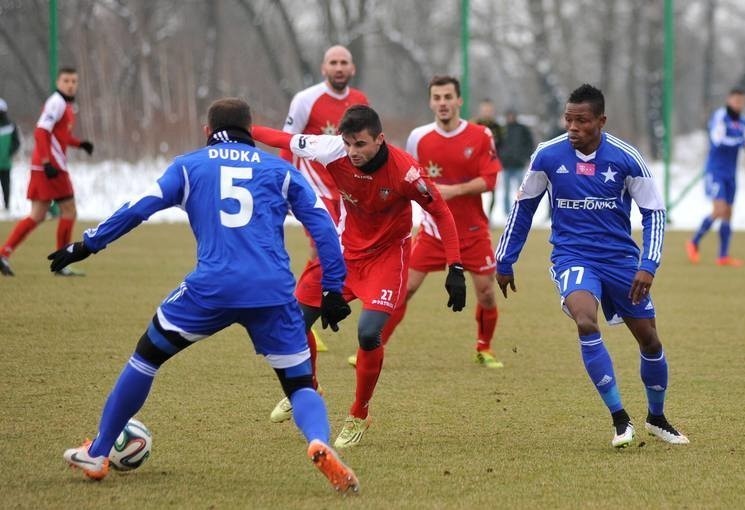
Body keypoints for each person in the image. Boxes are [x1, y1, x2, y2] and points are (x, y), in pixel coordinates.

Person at [55, 98, 359, 493]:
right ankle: (318, 440)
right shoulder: (281, 171)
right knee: (300, 385)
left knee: (146, 358)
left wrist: (89, 244)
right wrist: (333, 287)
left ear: (207, 130)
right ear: (251, 131)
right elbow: (323, 224)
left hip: (211, 287)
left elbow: (138, 208)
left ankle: (97, 453)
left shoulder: (189, 165)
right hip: (272, 291)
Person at [251, 104, 466, 448]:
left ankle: (359, 413)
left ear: (379, 139)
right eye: (348, 143)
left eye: (361, 144)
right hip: (343, 251)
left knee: (368, 333)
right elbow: (283, 138)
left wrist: (455, 266)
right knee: (293, 321)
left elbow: (440, 211)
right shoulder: (331, 149)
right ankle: (308, 387)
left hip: (386, 258)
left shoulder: (407, 174)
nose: (353, 152)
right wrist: (236, 130)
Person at [495, 84, 689, 448]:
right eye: (568, 119)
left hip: (621, 260)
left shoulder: (626, 158)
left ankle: (657, 417)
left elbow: (655, 214)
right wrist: (505, 259)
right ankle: (619, 419)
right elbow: (523, 208)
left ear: (600, 121)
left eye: (581, 120)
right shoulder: (548, 155)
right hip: (572, 256)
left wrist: (647, 264)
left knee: (649, 340)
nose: (572, 127)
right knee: (586, 319)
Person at [378, 75, 502, 368]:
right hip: (433, 232)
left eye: (448, 97)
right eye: (437, 98)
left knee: (485, 292)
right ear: (431, 102)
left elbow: (491, 180)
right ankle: (375, 346)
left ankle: (484, 347)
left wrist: (453, 190)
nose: (443, 103)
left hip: (473, 232)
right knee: (404, 288)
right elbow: (406, 177)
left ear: (459, 100)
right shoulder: (418, 138)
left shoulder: (481, 135)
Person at [282, 45, 370, 353]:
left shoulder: (359, 101)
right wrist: (285, 186)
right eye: (333, 62)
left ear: (352, 68)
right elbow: (288, 144)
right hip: (313, 191)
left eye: (344, 62)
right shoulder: (306, 100)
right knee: (321, 246)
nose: (339, 67)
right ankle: (303, 311)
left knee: (338, 249)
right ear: (324, 68)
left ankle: (308, 307)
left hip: (347, 193)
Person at [0, 67, 94, 277]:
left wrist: (80, 144)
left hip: (42, 166)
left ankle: (3, 253)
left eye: (73, 81)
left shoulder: (66, 106)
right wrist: (46, 162)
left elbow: (58, 136)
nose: (70, 84)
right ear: (58, 83)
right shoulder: (56, 102)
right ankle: (62, 262)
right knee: (69, 211)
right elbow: (41, 132)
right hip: (51, 166)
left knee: (37, 215)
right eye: (66, 80)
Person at [686, 87, 745, 267]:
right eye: (736, 100)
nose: (739, 104)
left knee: (728, 213)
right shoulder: (720, 117)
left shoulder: (742, 121)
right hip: (716, 171)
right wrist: (743, 142)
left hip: (730, 173)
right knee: (719, 210)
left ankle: (723, 256)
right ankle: (693, 242)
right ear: (729, 100)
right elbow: (719, 141)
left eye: (742, 101)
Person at [498, 109, 535, 217]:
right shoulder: (503, 129)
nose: (510, 117)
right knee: (506, 190)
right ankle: (506, 213)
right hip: (506, 165)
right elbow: (498, 146)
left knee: (521, 191)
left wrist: (525, 157)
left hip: (519, 164)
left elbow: (529, 143)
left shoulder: (522, 129)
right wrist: (501, 158)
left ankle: (520, 210)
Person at [472, 98, 503, 220]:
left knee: (493, 191)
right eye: (485, 110)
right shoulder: (474, 124)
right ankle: (476, 217)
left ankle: (488, 218)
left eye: (489, 110)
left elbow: (502, 144)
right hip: (475, 165)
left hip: (491, 164)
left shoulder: (497, 126)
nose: (487, 112)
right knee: (474, 192)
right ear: (481, 110)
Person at [0, 98, 21, 212]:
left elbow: (16, 142)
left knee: (6, 185)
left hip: (5, 163)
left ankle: (7, 206)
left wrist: (9, 152)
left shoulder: (11, 126)